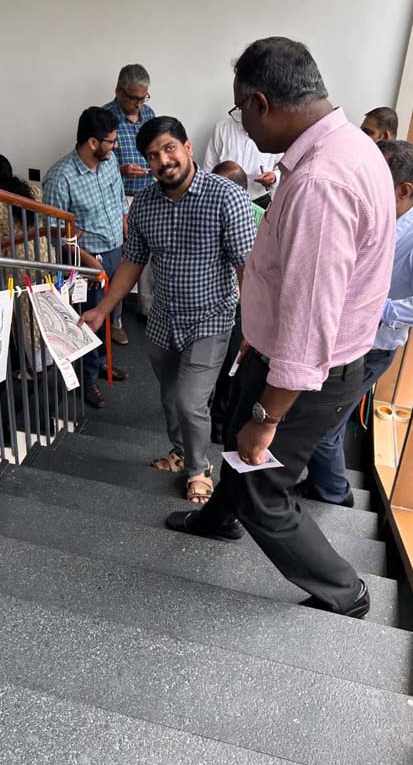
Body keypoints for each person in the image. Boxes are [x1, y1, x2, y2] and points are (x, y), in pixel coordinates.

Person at [164, 37, 396, 620]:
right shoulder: (351, 146)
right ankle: (217, 520)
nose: (240, 123)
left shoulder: (322, 183)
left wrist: (267, 418)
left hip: (305, 375)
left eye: (239, 109)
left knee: (261, 486)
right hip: (281, 355)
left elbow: (310, 322)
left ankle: (345, 591)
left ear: (260, 103)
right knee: (234, 445)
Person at [80, 116, 255, 504]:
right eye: (153, 155)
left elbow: (247, 267)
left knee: (190, 401)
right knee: (171, 398)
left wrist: (255, 329)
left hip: (210, 319)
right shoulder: (144, 204)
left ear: (187, 148)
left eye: (169, 148)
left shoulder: (227, 197)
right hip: (162, 321)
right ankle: (181, 453)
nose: (163, 160)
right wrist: (103, 310)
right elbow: (132, 262)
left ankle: (198, 470)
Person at [296, 140, 413, 507]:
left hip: (371, 349)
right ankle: (323, 486)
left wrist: (381, 309)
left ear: (404, 190)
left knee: (325, 425)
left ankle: (333, 495)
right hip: (342, 338)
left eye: (376, 178)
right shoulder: (376, 217)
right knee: (320, 418)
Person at [43, 108, 129, 407]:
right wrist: (91, 263)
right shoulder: (60, 177)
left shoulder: (109, 161)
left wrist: (127, 240)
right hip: (87, 262)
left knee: (108, 313)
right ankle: (87, 380)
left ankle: (102, 362)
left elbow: (120, 203)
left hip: (116, 252)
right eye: (111, 141)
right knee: (90, 320)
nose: (115, 146)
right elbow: (55, 233)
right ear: (93, 142)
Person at [207, 161, 264, 444]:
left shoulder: (262, 219)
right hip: (210, 299)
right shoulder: (203, 211)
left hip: (242, 303)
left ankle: (219, 422)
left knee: (231, 364)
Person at [0, 154, 51, 374]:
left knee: (26, 315)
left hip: (19, 264)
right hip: (44, 256)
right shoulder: (34, 192)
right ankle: (51, 357)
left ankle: (36, 366)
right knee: (46, 308)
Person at [104, 64, 157, 343]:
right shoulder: (106, 117)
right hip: (119, 198)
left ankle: (148, 310)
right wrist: (121, 170)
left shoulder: (149, 114)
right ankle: (115, 320)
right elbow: (97, 165)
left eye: (143, 98)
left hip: (148, 195)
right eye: (133, 98)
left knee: (149, 255)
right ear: (118, 91)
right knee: (122, 259)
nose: (138, 104)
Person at [203, 115, 280, 206]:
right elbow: (208, 170)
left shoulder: (276, 133)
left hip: (259, 203)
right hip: (224, 200)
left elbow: (284, 169)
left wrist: (274, 177)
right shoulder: (222, 128)